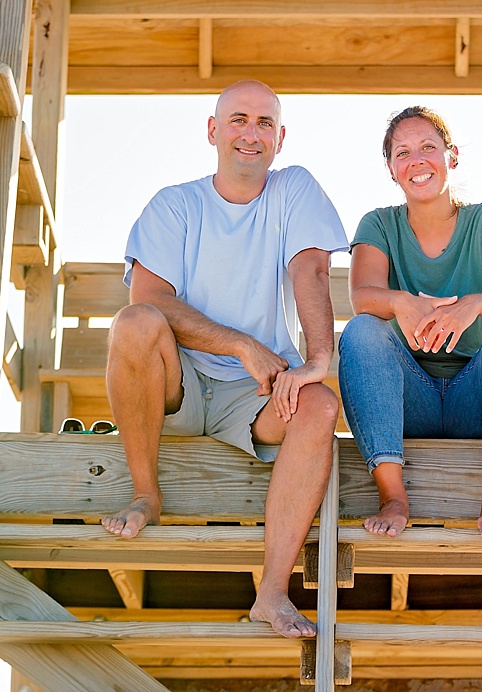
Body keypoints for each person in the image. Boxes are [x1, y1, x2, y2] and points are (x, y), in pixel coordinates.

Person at [100, 80, 349, 638]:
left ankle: (272, 592)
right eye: (238, 119)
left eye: (264, 123)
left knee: (320, 406)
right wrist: (240, 343)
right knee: (134, 323)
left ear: (280, 139)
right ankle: (147, 495)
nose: (250, 133)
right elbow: (151, 301)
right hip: (177, 386)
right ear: (214, 131)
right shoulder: (175, 204)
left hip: (256, 395)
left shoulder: (295, 190)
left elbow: (310, 270)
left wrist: (317, 359)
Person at [339, 106, 482, 540]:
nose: (417, 160)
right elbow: (362, 297)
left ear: (451, 156)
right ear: (392, 169)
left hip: (478, 398)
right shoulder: (377, 224)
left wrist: (473, 305)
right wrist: (399, 302)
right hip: (407, 399)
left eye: (428, 147)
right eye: (403, 152)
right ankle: (393, 496)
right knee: (361, 330)